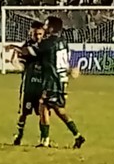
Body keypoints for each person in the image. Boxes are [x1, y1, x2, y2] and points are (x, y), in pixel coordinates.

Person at [24, 16, 85, 149]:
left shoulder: (48, 43)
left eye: (46, 25)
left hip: (52, 80)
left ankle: (45, 141)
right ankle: (78, 136)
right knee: (58, 110)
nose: (44, 28)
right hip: (61, 80)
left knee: (43, 107)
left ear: (51, 28)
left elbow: (30, 52)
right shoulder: (63, 42)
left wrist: (13, 48)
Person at [6, 21, 46, 146]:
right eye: (35, 34)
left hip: (42, 85)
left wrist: (13, 47)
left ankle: (44, 138)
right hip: (28, 86)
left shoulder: (46, 45)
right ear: (31, 33)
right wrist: (17, 63)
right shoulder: (27, 45)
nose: (38, 36)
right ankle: (19, 134)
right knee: (23, 113)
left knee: (43, 113)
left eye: (40, 34)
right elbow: (21, 62)